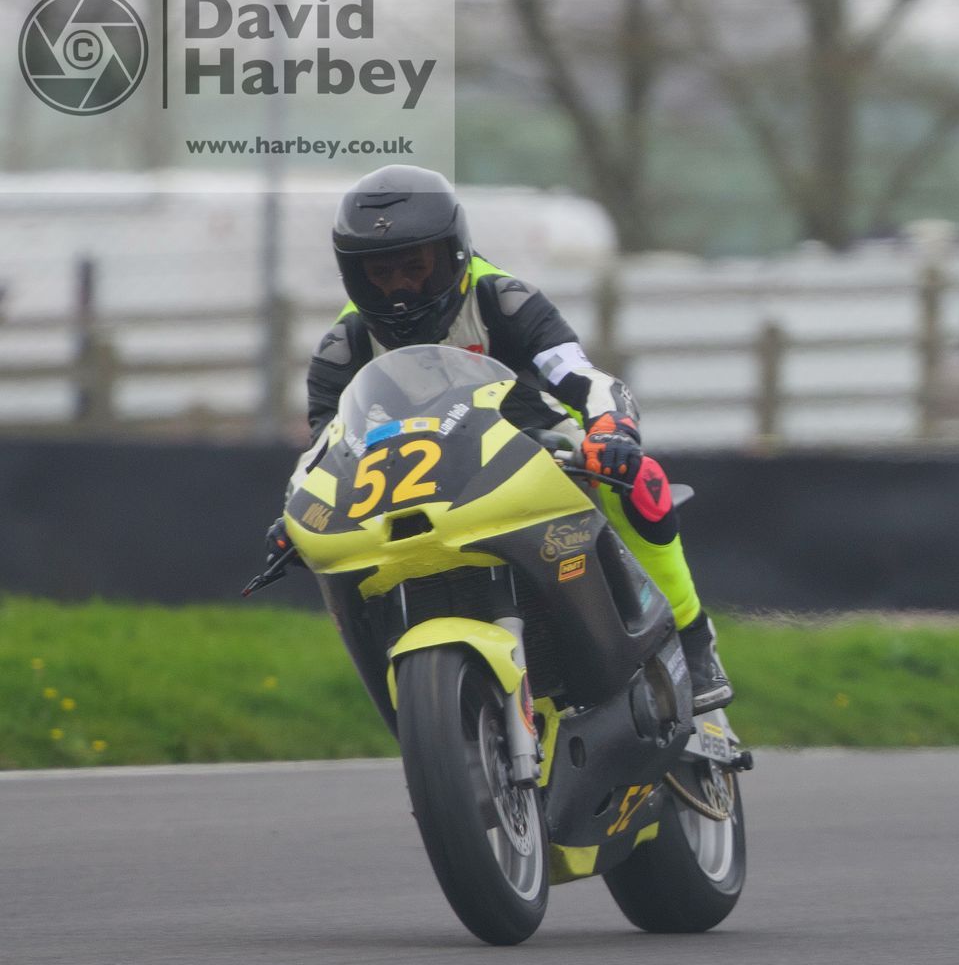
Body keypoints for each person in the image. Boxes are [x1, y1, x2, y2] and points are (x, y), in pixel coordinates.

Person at [265, 164, 731, 712]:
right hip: (410, 483)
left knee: (639, 479)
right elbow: (326, 447)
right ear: (353, 275)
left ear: (455, 253)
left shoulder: (504, 301)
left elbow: (586, 380)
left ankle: (692, 637)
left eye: (416, 268)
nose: (399, 289)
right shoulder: (341, 348)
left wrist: (612, 429)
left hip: (529, 444)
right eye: (379, 274)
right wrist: (297, 512)